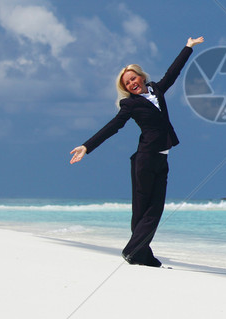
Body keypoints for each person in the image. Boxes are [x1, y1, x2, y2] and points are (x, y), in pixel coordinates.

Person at [70, 36, 204, 267]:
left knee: (147, 211)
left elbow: (173, 73)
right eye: (127, 84)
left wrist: (187, 48)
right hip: (145, 159)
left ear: (141, 77)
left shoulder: (156, 90)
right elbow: (113, 126)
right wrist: (87, 146)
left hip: (162, 158)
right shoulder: (129, 104)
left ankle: (142, 254)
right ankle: (133, 250)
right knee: (148, 210)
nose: (131, 84)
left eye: (133, 78)